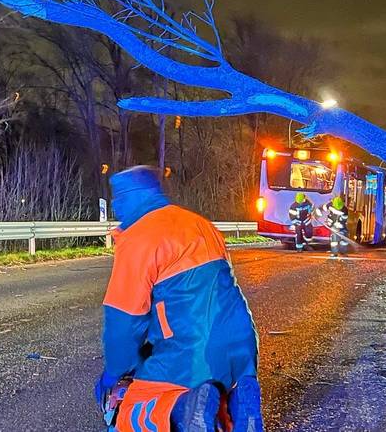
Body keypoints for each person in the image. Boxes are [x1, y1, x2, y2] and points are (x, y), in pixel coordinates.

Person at [96, 166, 264, 431]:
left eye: (119, 198)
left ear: (132, 197)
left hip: (191, 356)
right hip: (241, 346)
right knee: (217, 410)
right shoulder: (199, 223)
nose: (116, 207)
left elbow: (124, 323)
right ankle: (242, 404)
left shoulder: (140, 236)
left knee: (129, 414)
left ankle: (182, 409)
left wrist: (114, 373)